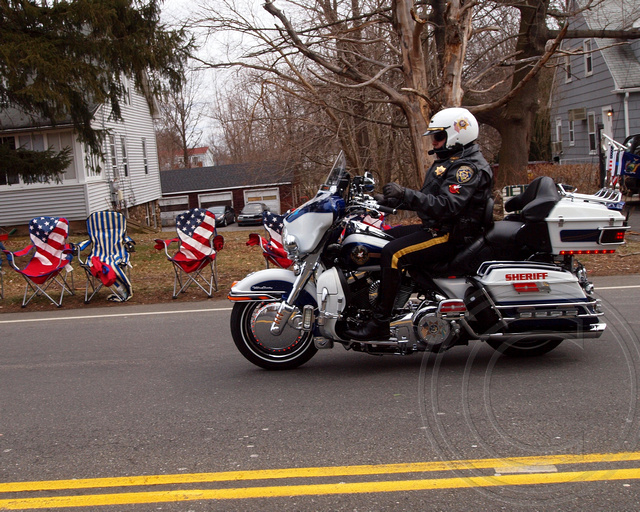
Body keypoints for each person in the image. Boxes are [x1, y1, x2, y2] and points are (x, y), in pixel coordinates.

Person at [345, 107, 494, 341]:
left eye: (438, 136)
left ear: (456, 135)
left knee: (392, 254)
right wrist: (388, 201)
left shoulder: (467, 168)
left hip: (451, 235)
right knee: (383, 237)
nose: (434, 142)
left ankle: (380, 323)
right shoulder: (452, 161)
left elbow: (447, 205)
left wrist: (405, 195)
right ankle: (377, 303)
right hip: (438, 228)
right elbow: (431, 202)